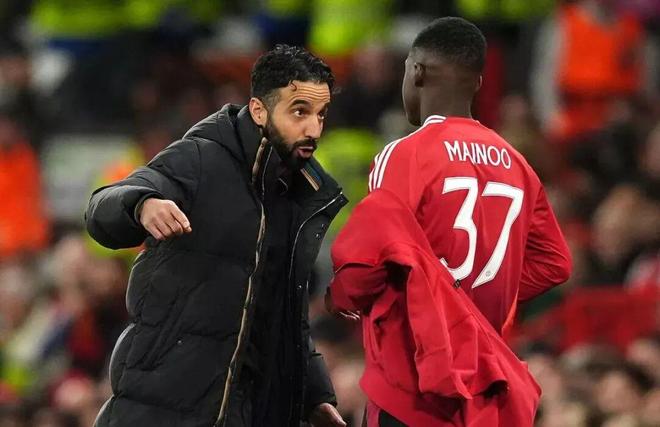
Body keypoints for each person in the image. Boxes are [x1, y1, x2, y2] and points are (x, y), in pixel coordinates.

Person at [85, 44, 347, 427]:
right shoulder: (200, 158)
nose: (314, 129)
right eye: (299, 112)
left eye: (321, 114)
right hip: (159, 406)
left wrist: (314, 395)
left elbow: (283, 313)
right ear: (259, 110)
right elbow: (100, 208)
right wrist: (141, 204)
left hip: (240, 411)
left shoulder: (295, 195)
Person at [327, 17, 572, 426]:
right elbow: (554, 263)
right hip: (480, 390)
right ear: (478, 83)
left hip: (412, 384)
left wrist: (340, 300)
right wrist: (475, 298)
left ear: (417, 72)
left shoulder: (405, 154)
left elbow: (365, 266)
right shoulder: (517, 163)